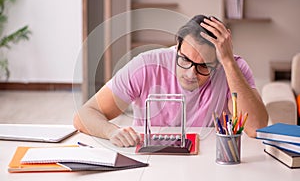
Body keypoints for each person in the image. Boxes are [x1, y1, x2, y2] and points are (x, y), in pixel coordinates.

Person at [73, 15, 268, 147]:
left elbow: (256, 128)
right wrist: (111, 131)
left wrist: (228, 61)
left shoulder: (232, 67)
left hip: (208, 160)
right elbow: (84, 115)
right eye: (184, 59)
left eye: (203, 67)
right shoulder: (146, 65)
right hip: (153, 161)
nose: (191, 74)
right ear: (177, 46)